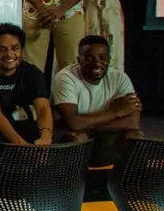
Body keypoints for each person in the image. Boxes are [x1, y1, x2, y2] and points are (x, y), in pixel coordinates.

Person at [52, 35, 142, 165]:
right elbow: (74, 123)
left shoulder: (120, 78)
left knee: (134, 135)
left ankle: (127, 182)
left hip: (100, 133)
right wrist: (115, 113)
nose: (96, 63)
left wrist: (86, 123)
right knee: (75, 137)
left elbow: (133, 122)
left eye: (102, 57)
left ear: (109, 59)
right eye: (89, 58)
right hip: (76, 135)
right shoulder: (65, 77)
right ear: (79, 60)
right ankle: (75, 183)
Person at [0, 23, 53, 146]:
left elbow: (43, 108)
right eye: (2, 49)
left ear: (21, 50)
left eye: (15, 48)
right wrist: (20, 144)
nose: (9, 54)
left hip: (20, 124)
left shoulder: (32, 72)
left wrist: (46, 136)